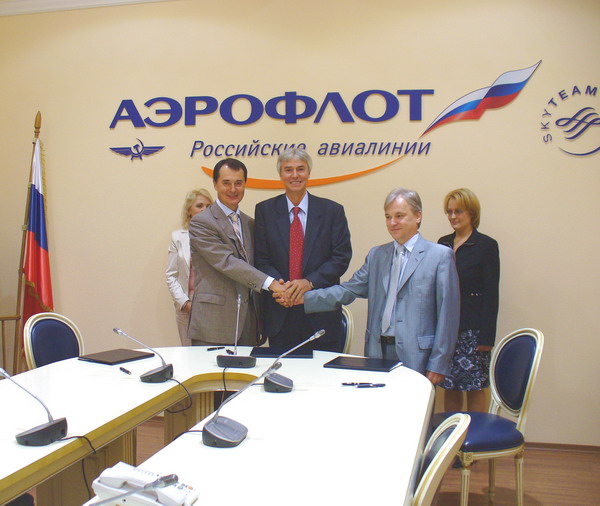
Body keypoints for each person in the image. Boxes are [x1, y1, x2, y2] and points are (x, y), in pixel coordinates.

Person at [276, 187, 460, 384]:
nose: (392, 223)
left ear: (418, 216)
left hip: (418, 356)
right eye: (388, 217)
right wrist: (303, 298)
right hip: (377, 352)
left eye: (399, 216)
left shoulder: (439, 256)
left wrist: (439, 362)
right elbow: (348, 290)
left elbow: (448, 315)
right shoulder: (377, 255)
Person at [254, 148, 352, 352]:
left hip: (321, 314)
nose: (295, 175)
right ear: (280, 174)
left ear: (309, 172)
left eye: (300, 169)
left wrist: (309, 282)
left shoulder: (332, 211)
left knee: (321, 371)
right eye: (288, 170)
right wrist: (282, 287)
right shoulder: (265, 211)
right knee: (282, 370)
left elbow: (341, 257)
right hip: (281, 310)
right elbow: (261, 259)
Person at [187, 158, 285, 346]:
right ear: (215, 184)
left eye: (238, 183)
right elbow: (226, 262)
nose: (233, 189)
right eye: (226, 183)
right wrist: (272, 284)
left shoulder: (250, 223)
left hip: (249, 324)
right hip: (213, 324)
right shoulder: (202, 222)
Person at [438, 188, 500, 411]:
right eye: (449, 211)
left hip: (473, 331)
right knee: (449, 385)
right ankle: (453, 431)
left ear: (472, 213)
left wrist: (487, 337)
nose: (453, 216)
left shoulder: (486, 245)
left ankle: (476, 431)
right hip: (447, 328)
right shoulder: (442, 243)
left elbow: (491, 293)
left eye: (459, 211)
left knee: (475, 386)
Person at [165, 188, 213, 346]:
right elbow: (171, 276)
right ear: (189, 211)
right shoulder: (178, 237)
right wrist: (185, 303)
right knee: (189, 352)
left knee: (213, 352)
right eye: (199, 206)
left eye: (208, 206)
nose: (204, 210)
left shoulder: (219, 237)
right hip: (187, 304)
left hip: (213, 305)